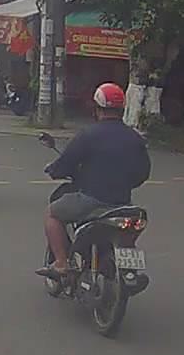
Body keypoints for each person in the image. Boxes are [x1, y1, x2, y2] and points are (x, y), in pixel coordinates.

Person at [36, 83, 151, 278]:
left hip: (92, 201)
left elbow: (66, 163)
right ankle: (127, 270)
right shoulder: (135, 138)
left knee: (52, 214)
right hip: (123, 205)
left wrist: (55, 170)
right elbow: (143, 173)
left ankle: (61, 263)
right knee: (128, 236)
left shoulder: (88, 135)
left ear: (97, 109)